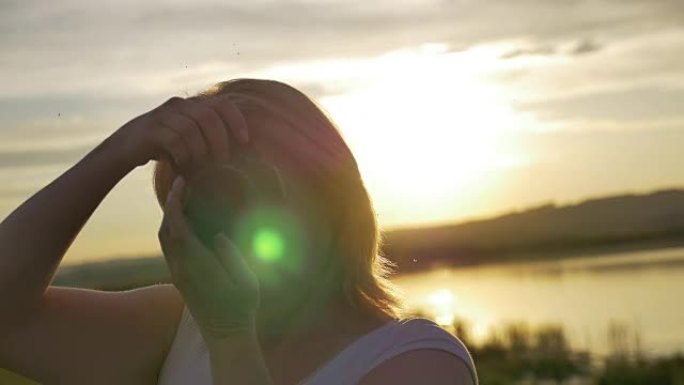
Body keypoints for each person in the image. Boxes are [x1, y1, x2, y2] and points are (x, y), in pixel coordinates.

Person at [0, 78, 478, 385]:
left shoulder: (419, 363)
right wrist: (123, 148)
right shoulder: (178, 328)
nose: (237, 214)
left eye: (263, 182)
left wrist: (230, 336)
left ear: (334, 203)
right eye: (212, 192)